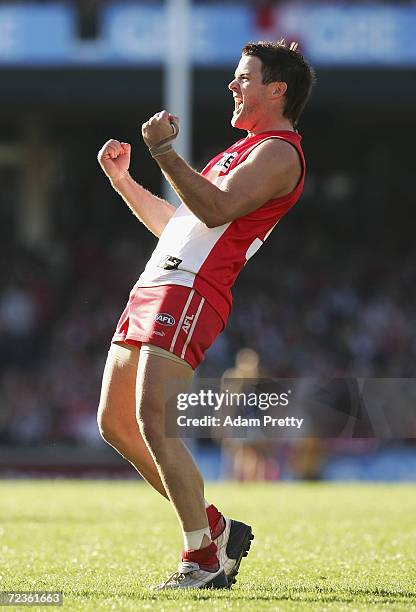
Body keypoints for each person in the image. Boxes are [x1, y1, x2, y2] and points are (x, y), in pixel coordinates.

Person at [96, 40, 315, 590]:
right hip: (156, 285)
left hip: (191, 292)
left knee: (153, 420)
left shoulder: (280, 152)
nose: (232, 86)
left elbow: (216, 209)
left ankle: (203, 560)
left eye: (244, 77)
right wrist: (126, 181)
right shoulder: (236, 152)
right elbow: (182, 224)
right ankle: (213, 526)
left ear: (277, 89)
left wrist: (166, 153)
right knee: (115, 424)